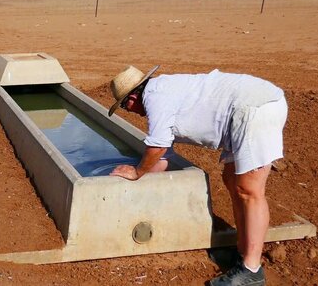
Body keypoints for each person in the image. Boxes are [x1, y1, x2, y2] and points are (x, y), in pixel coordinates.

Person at [107, 65, 288, 286]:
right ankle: (242, 254)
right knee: (231, 181)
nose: (129, 111)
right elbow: (162, 158)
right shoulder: (161, 93)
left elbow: (158, 148)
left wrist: (136, 172)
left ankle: (251, 270)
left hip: (255, 108)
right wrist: (128, 192)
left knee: (249, 190)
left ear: (132, 98)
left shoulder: (156, 98)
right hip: (242, 112)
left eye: (124, 106)